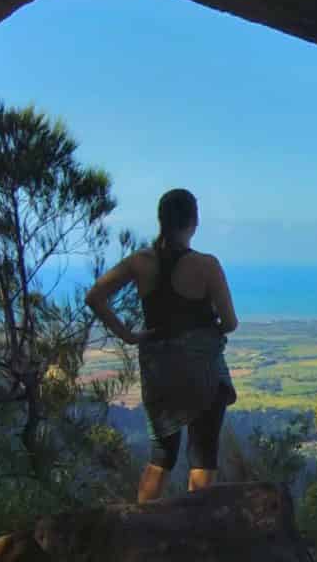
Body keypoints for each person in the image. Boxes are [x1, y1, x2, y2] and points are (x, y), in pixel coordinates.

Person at [86, 188, 239, 503]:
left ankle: (140, 523)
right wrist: (207, 336)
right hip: (202, 371)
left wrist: (128, 335)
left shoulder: (140, 262)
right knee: (203, 451)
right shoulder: (206, 265)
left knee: (162, 452)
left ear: (161, 220)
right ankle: (197, 526)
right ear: (193, 222)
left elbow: (95, 297)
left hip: (159, 369)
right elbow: (230, 322)